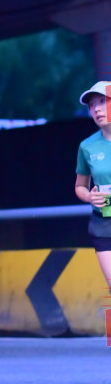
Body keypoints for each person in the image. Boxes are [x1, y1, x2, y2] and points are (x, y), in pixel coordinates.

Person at [75, 81, 111, 298]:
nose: (96, 109)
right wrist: (90, 196)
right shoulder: (87, 146)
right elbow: (80, 186)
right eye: (91, 105)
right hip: (104, 225)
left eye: (102, 101)